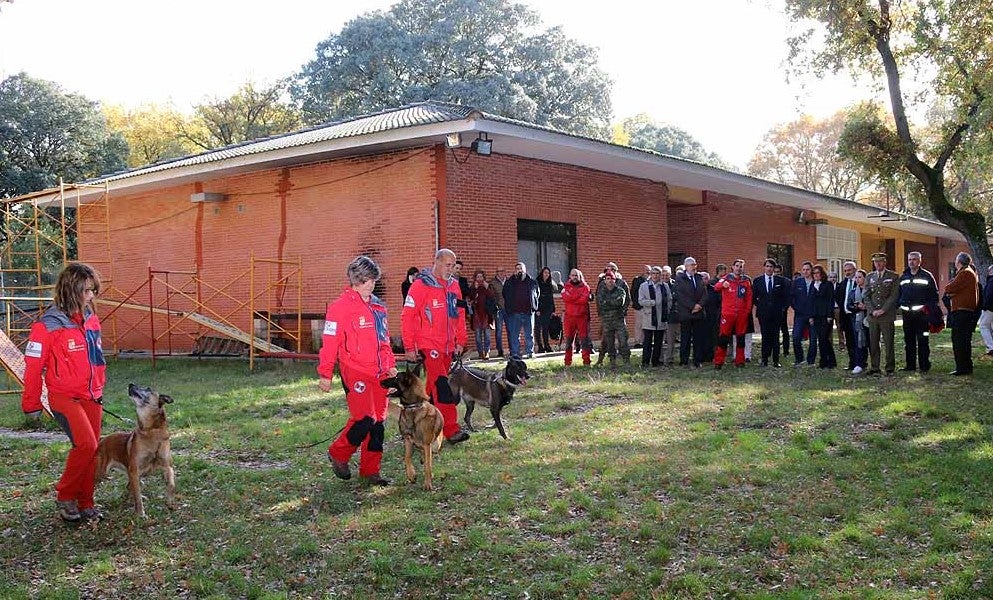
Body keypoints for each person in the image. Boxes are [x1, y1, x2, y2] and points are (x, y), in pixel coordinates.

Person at [22, 262, 107, 522]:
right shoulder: (46, 326)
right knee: (86, 444)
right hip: (64, 397)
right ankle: (65, 495)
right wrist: (31, 404)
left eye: (93, 290)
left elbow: (97, 358)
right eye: (86, 291)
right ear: (71, 290)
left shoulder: (91, 319)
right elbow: (33, 368)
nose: (91, 296)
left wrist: (99, 387)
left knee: (93, 450)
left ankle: (86, 503)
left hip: (92, 396)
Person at [319, 256, 398, 486]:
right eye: (366, 280)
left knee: (378, 424)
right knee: (364, 419)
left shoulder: (378, 307)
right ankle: (339, 453)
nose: (370, 285)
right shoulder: (339, 308)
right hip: (354, 371)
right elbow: (329, 343)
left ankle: (371, 470)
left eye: (373, 280)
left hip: (380, 372)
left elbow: (384, 339)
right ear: (355, 280)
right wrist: (325, 373)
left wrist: (390, 363)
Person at [401, 249, 470, 444]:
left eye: (453, 266)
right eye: (448, 265)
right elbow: (408, 317)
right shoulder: (420, 286)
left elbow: (460, 315)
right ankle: (451, 429)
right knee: (442, 385)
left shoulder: (454, 286)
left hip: (448, 346)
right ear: (437, 263)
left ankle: (418, 422)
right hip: (428, 344)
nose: (451, 270)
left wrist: (460, 341)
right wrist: (409, 346)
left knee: (432, 388)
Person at [897, 251, 939, 372]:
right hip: (907, 315)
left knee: (923, 340)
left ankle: (924, 365)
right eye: (909, 259)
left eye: (914, 259)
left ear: (920, 261)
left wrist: (929, 309)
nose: (911, 262)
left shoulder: (927, 276)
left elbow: (934, 296)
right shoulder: (904, 276)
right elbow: (899, 293)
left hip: (922, 315)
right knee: (909, 341)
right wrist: (900, 303)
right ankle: (910, 366)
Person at [864, 252, 900, 375]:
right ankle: (875, 367)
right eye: (875, 262)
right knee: (873, 342)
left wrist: (883, 310)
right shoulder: (869, 276)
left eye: (880, 261)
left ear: (885, 262)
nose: (878, 264)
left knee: (888, 342)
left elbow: (893, 296)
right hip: (873, 316)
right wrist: (872, 310)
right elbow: (866, 296)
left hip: (886, 315)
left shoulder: (893, 276)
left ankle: (889, 367)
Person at [713, 258, 753, 369]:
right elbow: (716, 287)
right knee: (723, 338)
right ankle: (719, 362)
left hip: (741, 315)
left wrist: (747, 311)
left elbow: (749, 297)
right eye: (737, 266)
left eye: (741, 266)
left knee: (740, 338)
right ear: (732, 267)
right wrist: (722, 285)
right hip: (727, 314)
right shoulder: (726, 278)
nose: (739, 268)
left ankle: (740, 361)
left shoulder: (746, 281)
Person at [944, 251, 979, 376]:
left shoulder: (965, 273)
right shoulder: (967, 272)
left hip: (962, 311)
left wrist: (951, 292)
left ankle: (962, 367)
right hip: (963, 311)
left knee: (960, 340)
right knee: (963, 340)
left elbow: (949, 288)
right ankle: (965, 366)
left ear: (959, 262)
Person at [752, 258, 789, 367]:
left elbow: (786, 297)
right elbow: (754, 297)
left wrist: (782, 308)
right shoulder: (758, 280)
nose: (769, 268)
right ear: (764, 267)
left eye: (771, 267)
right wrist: (761, 306)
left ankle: (776, 360)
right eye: (767, 266)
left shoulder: (780, 281)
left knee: (775, 336)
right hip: (763, 314)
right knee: (765, 336)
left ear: (774, 268)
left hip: (776, 313)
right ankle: (764, 360)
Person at [594, 262, 631, 364]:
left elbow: (626, 300)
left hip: (619, 317)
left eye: (612, 269)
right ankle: (603, 359)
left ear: (616, 271)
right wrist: (601, 313)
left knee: (623, 339)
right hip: (605, 318)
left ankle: (626, 360)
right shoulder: (602, 283)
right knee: (606, 341)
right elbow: (599, 300)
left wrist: (622, 310)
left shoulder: (622, 284)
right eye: (607, 269)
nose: (609, 271)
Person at [674, 257, 707, 367]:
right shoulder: (680, 278)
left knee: (698, 338)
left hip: (698, 313)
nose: (694, 267)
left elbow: (704, 294)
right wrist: (692, 306)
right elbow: (680, 296)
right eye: (692, 265)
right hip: (686, 313)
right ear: (686, 266)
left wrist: (699, 305)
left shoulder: (699, 278)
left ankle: (697, 360)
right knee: (686, 338)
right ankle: (684, 360)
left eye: (695, 265)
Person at [503, 262, 539, 358]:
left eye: (521, 268)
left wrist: (534, 306)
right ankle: (515, 353)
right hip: (515, 313)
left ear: (525, 270)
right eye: (517, 269)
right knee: (514, 335)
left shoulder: (532, 282)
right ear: (515, 271)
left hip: (528, 312)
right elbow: (505, 294)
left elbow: (537, 294)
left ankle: (530, 352)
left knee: (529, 334)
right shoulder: (510, 282)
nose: (519, 270)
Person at [638, 266, 671, 367]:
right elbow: (640, 300)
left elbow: (669, 299)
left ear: (660, 275)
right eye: (653, 273)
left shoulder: (664, 286)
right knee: (647, 341)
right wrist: (652, 302)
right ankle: (645, 362)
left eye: (657, 273)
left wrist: (667, 309)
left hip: (661, 317)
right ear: (650, 275)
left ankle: (656, 361)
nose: (655, 275)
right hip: (649, 317)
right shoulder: (644, 286)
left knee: (658, 341)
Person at [561, 269, 593, 366]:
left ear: (579, 276)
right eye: (572, 275)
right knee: (569, 341)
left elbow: (584, 300)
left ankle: (586, 361)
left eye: (576, 275)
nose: (574, 277)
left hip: (581, 317)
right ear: (570, 276)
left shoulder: (585, 287)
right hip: (569, 317)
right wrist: (577, 297)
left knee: (584, 340)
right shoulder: (566, 286)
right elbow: (566, 297)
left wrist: (572, 298)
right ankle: (567, 362)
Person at [810, 264, 837, 369]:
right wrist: (811, 316)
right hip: (816, 316)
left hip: (826, 316)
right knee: (821, 339)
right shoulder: (813, 284)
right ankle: (827, 361)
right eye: (814, 273)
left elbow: (830, 300)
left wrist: (830, 315)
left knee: (824, 338)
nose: (816, 275)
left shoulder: (828, 284)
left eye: (818, 273)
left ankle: (827, 361)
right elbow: (811, 301)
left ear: (822, 274)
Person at [791, 261, 817, 366]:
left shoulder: (816, 282)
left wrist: (813, 314)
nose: (806, 271)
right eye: (804, 270)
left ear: (811, 270)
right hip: (800, 315)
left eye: (808, 269)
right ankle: (799, 359)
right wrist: (796, 308)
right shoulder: (797, 282)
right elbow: (792, 297)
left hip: (813, 316)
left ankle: (811, 361)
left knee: (813, 339)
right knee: (796, 337)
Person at [467, 270, 495, 360]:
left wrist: (487, 288)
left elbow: (492, 297)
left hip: (486, 314)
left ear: (484, 278)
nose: (479, 279)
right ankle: (480, 352)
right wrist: (475, 289)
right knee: (478, 336)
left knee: (487, 335)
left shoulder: (487, 286)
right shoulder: (472, 287)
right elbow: (470, 298)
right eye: (478, 277)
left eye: (481, 277)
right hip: (476, 315)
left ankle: (487, 352)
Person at [835, 261, 858, 370]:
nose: (847, 273)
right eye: (845, 271)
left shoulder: (859, 282)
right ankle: (852, 363)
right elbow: (839, 298)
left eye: (849, 270)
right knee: (849, 341)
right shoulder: (843, 284)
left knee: (858, 341)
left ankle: (860, 363)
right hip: (846, 317)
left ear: (854, 270)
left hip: (857, 316)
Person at [847, 269, 870, 375]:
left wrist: (865, 307)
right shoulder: (852, 292)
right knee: (858, 342)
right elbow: (849, 306)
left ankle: (874, 364)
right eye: (856, 277)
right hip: (857, 320)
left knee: (871, 342)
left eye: (860, 277)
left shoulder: (870, 290)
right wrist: (857, 307)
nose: (857, 279)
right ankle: (859, 364)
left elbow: (874, 303)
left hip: (869, 319)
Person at [534, 267, 561, 353]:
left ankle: (547, 345)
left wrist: (553, 310)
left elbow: (551, 297)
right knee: (538, 328)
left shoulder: (550, 283)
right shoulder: (537, 282)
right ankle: (540, 346)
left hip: (547, 309)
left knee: (546, 328)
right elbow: (534, 297)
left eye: (548, 273)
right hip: (539, 309)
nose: (547, 274)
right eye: (545, 273)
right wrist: (536, 309)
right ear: (542, 273)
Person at [488, 267, 508, 358]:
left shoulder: (508, 281)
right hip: (499, 310)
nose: (501, 273)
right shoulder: (493, 283)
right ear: (496, 272)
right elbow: (491, 296)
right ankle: (500, 350)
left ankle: (513, 349)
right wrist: (496, 306)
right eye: (499, 271)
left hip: (508, 309)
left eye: (503, 271)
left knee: (510, 330)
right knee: (499, 331)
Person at [701, 271, 720, 363]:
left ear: (709, 279)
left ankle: (711, 356)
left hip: (712, 317)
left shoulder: (714, 290)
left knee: (712, 338)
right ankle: (701, 356)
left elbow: (719, 303)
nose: (703, 280)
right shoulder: (697, 290)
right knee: (701, 337)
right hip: (700, 318)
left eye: (705, 278)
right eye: (702, 278)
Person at [661, 266, 678, 366]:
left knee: (670, 340)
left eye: (667, 274)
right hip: (658, 316)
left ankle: (669, 359)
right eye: (663, 275)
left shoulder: (675, 285)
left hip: (672, 316)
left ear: (670, 275)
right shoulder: (658, 285)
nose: (665, 276)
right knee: (659, 340)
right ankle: (659, 359)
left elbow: (676, 298)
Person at [630, 265, 651, 348]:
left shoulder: (652, 280)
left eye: (649, 270)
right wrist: (636, 303)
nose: (648, 272)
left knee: (647, 325)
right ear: (642, 271)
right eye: (646, 270)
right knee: (639, 325)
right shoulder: (637, 280)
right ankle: (637, 342)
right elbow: (633, 292)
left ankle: (645, 341)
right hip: (639, 307)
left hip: (648, 307)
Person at [774, 264, 792, 360]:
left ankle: (786, 350)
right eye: (775, 272)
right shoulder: (771, 280)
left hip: (782, 310)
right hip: (773, 311)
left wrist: (784, 307)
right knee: (774, 331)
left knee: (784, 330)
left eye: (778, 272)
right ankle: (774, 349)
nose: (776, 274)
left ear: (781, 271)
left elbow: (789, 296)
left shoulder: (786, 282)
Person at [979, 265, 993, 358]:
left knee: (983, 326)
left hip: (989, 307)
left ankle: (991, 346)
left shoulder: (991, 281)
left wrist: (985, 306)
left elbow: (989, 295)